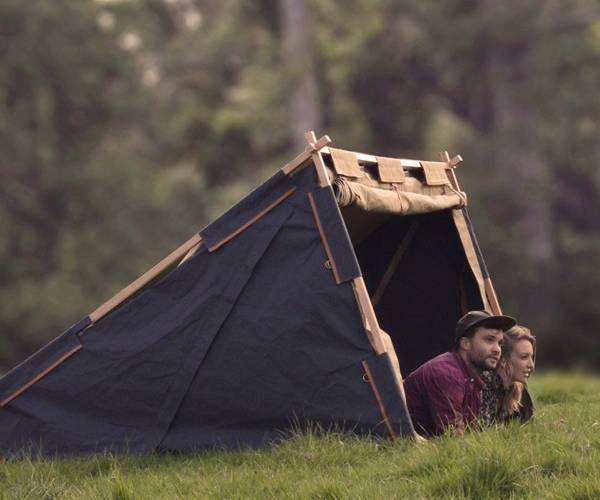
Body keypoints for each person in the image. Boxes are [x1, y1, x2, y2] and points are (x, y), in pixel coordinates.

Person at [403, 310, 516, 437]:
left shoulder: (472, 379)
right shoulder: (446, 373)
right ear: (465, 344)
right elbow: (452, 435)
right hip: (398, 444)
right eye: (489, 340)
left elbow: (469, 433)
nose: (497, 350)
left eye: (500, 343)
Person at [480, 325, 536, 425]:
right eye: (524, 357)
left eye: (531, 357)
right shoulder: (485, 385)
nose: (531, 365)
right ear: (503, 359)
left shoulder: (518, 388)